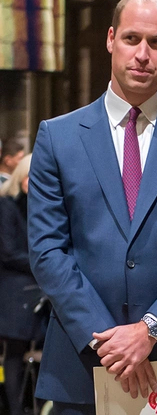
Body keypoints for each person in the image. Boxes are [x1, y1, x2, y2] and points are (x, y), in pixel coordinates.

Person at [27, 0, 157, 415]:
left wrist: (150, 331)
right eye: (132, 39)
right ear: (110, 39)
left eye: (156, 43)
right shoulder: (59, 136)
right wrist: (113, 341)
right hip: (85, 360)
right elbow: (47, 250)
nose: (143, 54)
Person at [0, 154, 48, 415]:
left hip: (40, 285)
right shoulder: (7, 205)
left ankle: (41, 406)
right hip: (15, 287)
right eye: (31, 176)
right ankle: (16, 410)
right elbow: (7, 252)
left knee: (47, 350)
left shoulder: (42, 205)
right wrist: (45, 262)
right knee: (15, 352)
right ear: (20, 176)